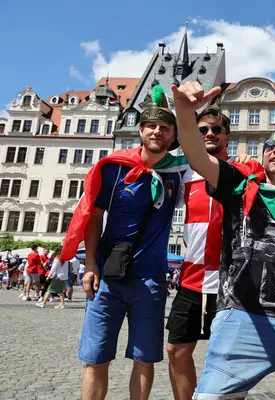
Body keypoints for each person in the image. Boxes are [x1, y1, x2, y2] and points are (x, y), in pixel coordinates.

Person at [172, 81, 275, 399]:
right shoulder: (238, 183)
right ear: (262, 156)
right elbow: (198, 158)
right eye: (270, 146)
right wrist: (184, 114)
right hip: (243, 317)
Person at [63, 85, 190, 400]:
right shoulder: (117, 169)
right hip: (108, 278)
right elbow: (93, 216)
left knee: (144, 359)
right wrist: (90, 263)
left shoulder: (179, 171)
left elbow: (214, 166)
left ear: (173, 135)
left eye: (165, 127)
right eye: (152, 126)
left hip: (151, 281)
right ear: (141, 130)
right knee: (95, 358)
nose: (157, 131)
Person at [166, 106, 231, 400]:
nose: (209, 134)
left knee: (233, 358)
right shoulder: (185, 174)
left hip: (230, 281)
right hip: (192, 277)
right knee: (176, 350)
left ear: (226, 136)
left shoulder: (240, 170)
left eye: (215, 129)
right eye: (203, 129)